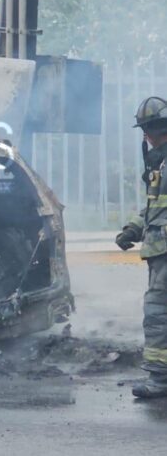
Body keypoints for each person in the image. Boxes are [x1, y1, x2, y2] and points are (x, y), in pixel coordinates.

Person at [116, 96, 167, 398]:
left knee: (158, 313)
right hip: (159, 252)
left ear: (150, 131)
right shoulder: (159, 164)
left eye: (146, 131)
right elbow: (154, 207)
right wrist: (133, 229)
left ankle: (160, 381)